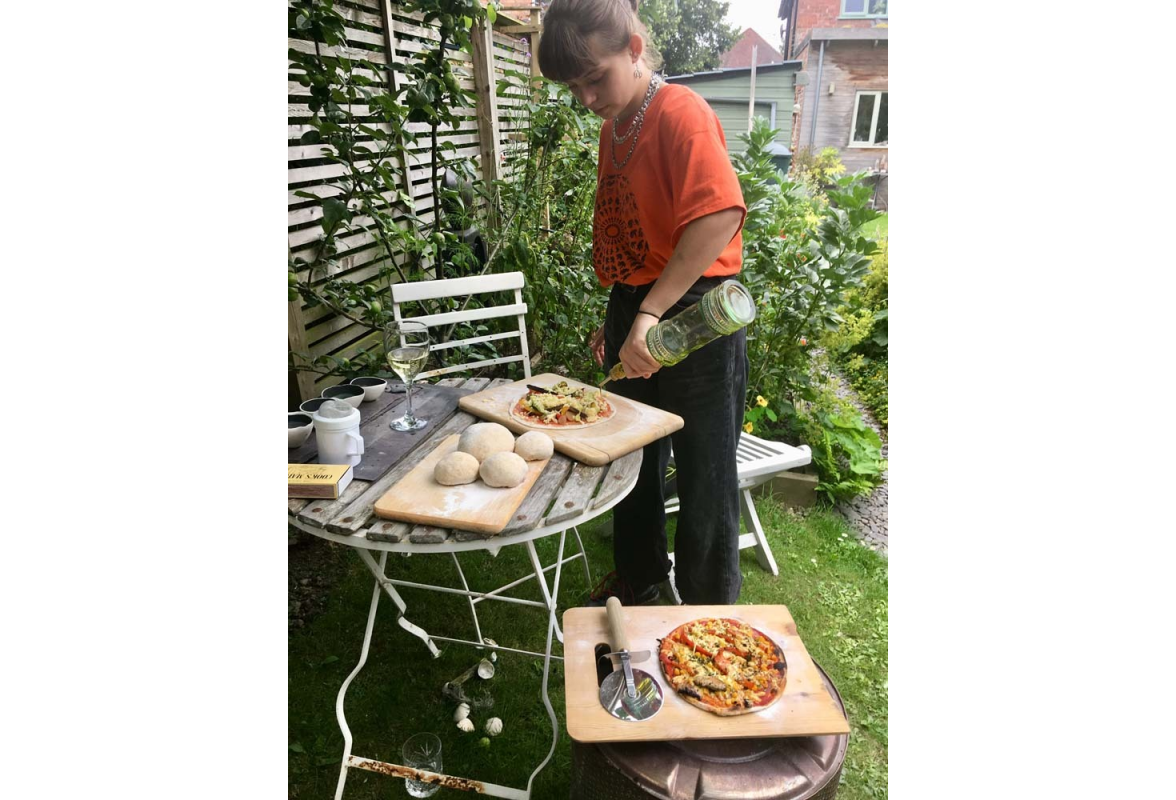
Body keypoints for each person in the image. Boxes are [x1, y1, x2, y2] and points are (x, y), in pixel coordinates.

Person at [538, 0, 748, 606]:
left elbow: (718, 219)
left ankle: (710, 614)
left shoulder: (682, 112)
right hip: (639, 304)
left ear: (633, 49)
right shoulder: (614, 128)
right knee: (631, 458)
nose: (585, 98)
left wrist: (651, 314)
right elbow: (632, 232)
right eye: (573, 88)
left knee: (706, 472)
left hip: (695, 316)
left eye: (594, 78)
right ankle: (639, 585)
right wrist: (621, 313)